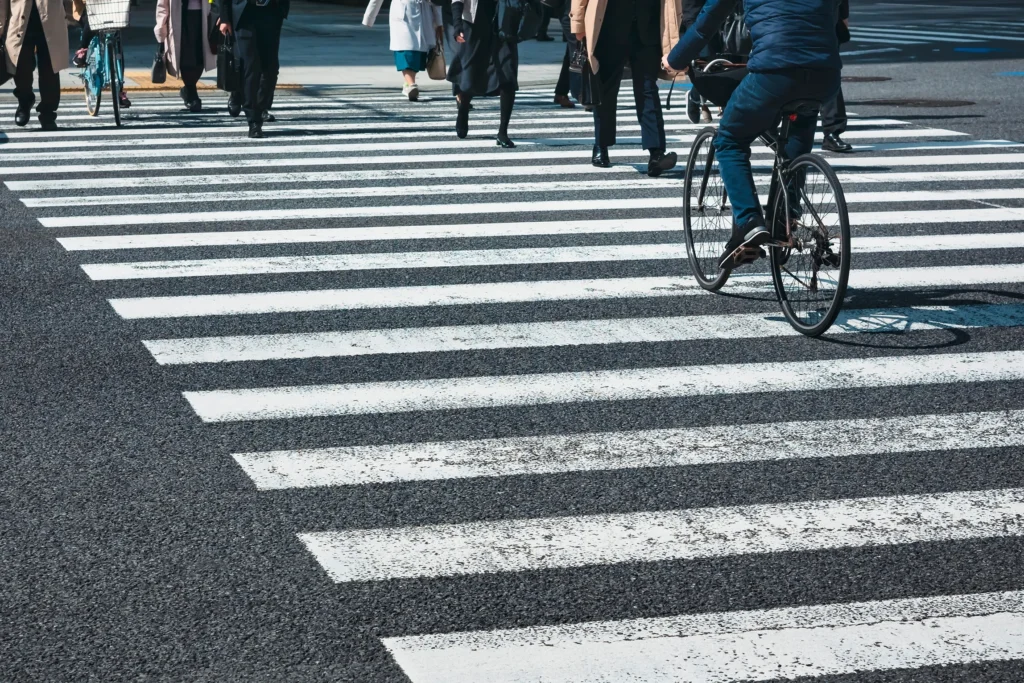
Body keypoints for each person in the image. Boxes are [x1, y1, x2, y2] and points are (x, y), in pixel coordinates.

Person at [663, 0, 842, 269]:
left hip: (774, 71)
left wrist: (674, 59)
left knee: (730, 140)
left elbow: (706, 23)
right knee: (798, 132)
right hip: (826, 74)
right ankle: (786, 216)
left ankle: (749, 220)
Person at [571, 0, 680, 177]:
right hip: (610, 26)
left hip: (648, 26)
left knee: (648, 89)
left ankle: (656, 152)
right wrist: (578, 23)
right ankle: (601, 144)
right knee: (606, 88)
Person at [447, 0, 520, 148]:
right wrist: (457, 24)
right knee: (470, 72)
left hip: (505, 19)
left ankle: (503, 132)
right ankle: (463, 107)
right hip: (475, 23)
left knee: (508, 74)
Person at [216, 0, 289, 138]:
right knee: (250, 67)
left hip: (271, 13)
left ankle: (260, 108)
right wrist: (225, 17)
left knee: (271, 69)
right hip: (244, 14)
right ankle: (254, 121)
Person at [1, 0, 68, 130]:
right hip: (19, 21)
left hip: (51, 18)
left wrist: (71, 15)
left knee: (50, 69)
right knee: (20, 65)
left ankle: (47, 114)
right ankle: (25, 99)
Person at [363, 0, 443, 101]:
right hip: (404, 13)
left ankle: (408, 84)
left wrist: (439, 20)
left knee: (417, 53)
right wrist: (369, 17)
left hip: (423, 12)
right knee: (405, 50)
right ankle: (411, 84)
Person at [155, 0, 216, 112]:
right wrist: (161, 31)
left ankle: (188, 89)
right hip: (180, 18)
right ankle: (191, 91)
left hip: (203, 16)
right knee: (185, 58)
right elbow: (162, 6)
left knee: (200, 57)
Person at [821, 0, 851, 152]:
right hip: (786, 23)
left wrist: (843, 16)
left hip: (826, 21)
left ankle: (833, 131)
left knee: (829, 75)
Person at [552, 0, 574, 107]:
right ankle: (585, 95)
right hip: (571, 11)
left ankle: (561, 93)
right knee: (579, 49)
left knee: (573, 51)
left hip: (574, 10)